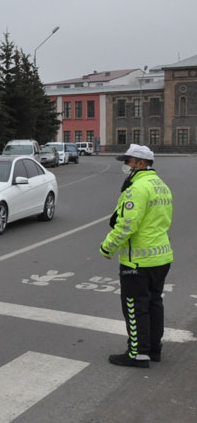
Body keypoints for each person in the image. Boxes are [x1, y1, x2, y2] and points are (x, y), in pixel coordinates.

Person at [100, 144, 173, 368]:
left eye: (129, 161)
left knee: (134, 306)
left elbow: (126, 225)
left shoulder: (137, 188)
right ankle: (153, 349)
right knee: (153, 303)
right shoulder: (161, 186)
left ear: (141, 163)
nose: (126, 166)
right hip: (161, 257)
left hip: (137, 259)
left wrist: (107, 247)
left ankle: (138, 353)